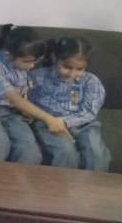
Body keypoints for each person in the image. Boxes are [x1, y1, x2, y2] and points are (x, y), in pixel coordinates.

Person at [0, 24, 63, 164]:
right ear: (9, 55)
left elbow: (22, 96)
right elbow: (15, 99)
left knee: (30, 150)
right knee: (0, 143)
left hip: (11, 112)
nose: (32, 66)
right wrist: (48, 118)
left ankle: (17, 178)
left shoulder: (23, 64)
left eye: (36, 61)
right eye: (27, 61)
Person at [29, 37, 112, 171]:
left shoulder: (91, 81)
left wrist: (66, 122)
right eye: (66, 67)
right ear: (55, 58)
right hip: (51, 125)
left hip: (84, 125)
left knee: (96, 154)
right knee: (66, 153)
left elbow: (90, 111)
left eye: (79, 69)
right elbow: (25, 101)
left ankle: (92, 184)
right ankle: (62, 184)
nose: (72, 74)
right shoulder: (37, 77)